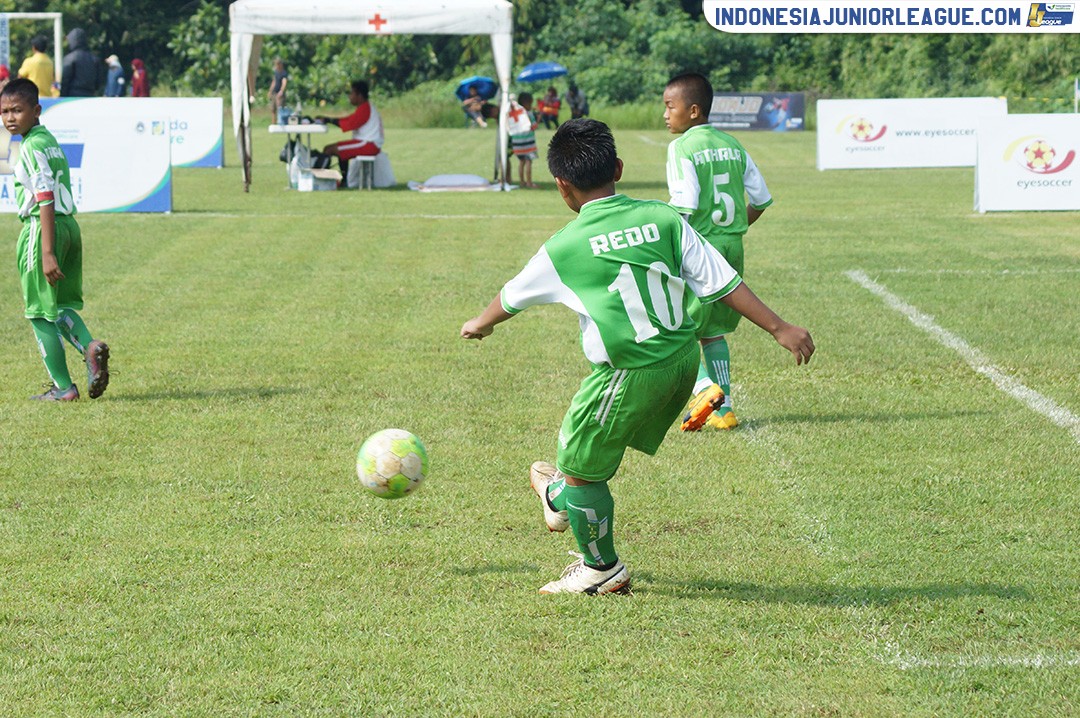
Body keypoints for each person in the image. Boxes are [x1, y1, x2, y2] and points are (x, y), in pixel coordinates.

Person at [460, 119, 813, 595]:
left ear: (562, 186)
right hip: (684, 360)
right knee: (580, 455)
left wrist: (479, 324)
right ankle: (557, 494)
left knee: (580, 467)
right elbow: (720, 279)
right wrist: (780, 328)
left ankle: (600, 568)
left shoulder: (564, 245)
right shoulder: (663, 218)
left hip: (629, 371)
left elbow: (511, 297)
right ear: (620, 168)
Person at [664, 72, 773, 431]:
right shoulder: (733, 144)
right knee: (711, 331)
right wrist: (733, 230)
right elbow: (760, 199)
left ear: (693, 111)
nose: (665, 114)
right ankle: (723, 410)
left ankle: (702, 387)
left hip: (699, 247)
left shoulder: (682, 148)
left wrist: (668, 245)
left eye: (670, 107)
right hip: (732, 245)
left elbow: (684, 203)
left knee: (671, 325)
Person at [0, 79, 111, 402]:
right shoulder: (46, 140)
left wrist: (46, 251)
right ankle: (90, 346)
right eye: (4, 112)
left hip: (42, 228)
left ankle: (64, 388)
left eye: (17, 110)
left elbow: (44, 196)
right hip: (68, 226)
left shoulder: (31, 147)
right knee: (58, 305)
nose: (9, 118)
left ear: (36, 110)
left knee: (38, 312)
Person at [315, 80, 383, 172]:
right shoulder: (364, 107)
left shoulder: (365, 108)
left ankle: (324, 177)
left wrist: (329, 120)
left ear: (359, 95)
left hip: (368, 144)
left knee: (329, 150)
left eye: (352, 93)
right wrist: (328, 119)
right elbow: (349, 119)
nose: (350, 96)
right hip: (368, 143)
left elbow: (350, 124)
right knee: (337, 149)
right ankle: (343, 179)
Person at [60, 28, 103, 97]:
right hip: (90, 95)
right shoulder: (95, 59)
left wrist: (62, 96)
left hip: (72, 96)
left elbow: (65, 81)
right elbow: (98, 82)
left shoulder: (70, 58)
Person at [508, 92, 538, 188]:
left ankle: (522, 182)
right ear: (526, 103)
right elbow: (533, 126)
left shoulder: (513, 113)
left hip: (516, 143)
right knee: (529, 161)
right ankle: (529, 182)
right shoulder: (528, 113)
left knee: (521, 162)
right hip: (528, 142)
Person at [268, 57, 289, 124]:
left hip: (280, 94)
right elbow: (274, 81)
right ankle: (273, 123)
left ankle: (281, 122)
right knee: (273, 109)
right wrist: (270, 91)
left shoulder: (284, 73)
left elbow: (284, 82)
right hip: (274, 92)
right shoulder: (276, 72)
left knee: (280, 108)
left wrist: (281, 91)